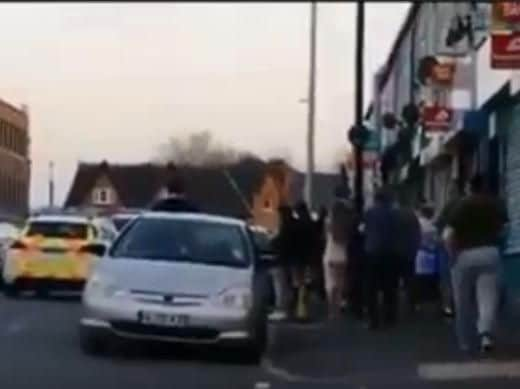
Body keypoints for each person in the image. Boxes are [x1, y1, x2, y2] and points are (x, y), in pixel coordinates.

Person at [445, 175, 508, 353]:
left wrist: (452, 255)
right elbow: (504, 231)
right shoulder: (496, 204)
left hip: (464, 254)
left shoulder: (461, 206)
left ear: (469, 187)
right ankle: (486, 336)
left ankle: (465, 342)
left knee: (462, 301)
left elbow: (449, 234)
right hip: (490, 253)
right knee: (488, 298)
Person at [362, 187, 401, 329]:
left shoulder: (369, 213)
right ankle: (389, 316)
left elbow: (364, 229)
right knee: (389, 286)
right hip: (390, 252)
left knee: (371, 287)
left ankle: (373, 319)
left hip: (372, 252)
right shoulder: (394, 214)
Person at [322, 199, 352, 319]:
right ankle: (338, 311)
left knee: (330, 285)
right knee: (340, 285)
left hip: (330, 255)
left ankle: (331, 311)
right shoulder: (346, 225)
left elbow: (324, 237)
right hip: (342, 256)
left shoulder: (329, 223)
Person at [394, 197, 422, 315]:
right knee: (410, 278)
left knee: (394, 278)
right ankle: (412, 304)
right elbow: (417, 233)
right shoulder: (412, 215)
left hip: (396, 251)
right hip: (410, 251)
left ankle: (394, 304)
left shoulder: (394, 214)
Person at [270, 205, 295, 321]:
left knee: (281, 286)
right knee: (285, 286)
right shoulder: (291, 226)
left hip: (282, 261)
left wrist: (272, 241)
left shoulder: (285, 227)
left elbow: (279, 242)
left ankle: (282, 310)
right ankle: (286, 309)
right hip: (288, 260)